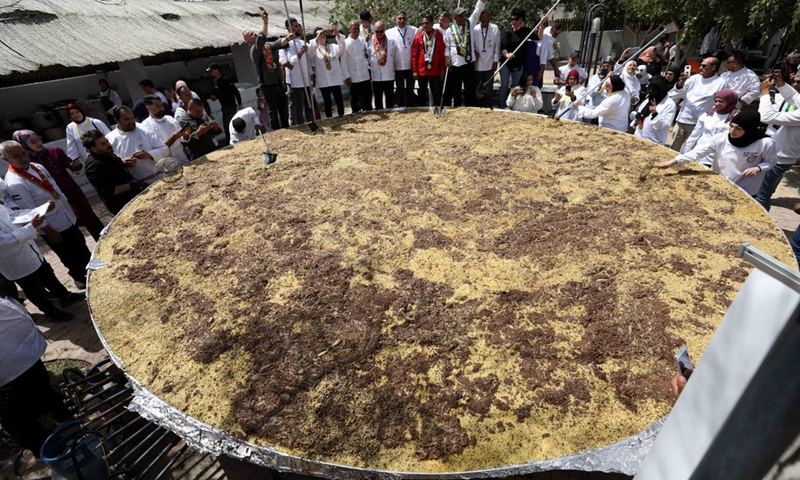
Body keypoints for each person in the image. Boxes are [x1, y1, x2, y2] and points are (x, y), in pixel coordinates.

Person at [1, 141, 93, 289]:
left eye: (23, 153)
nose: (23, 158)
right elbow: (29, 212)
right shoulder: (15, 183)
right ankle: (78, 277)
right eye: (16, 156)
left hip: (65, 216)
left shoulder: (37, 167)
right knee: (68, 254)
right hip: (53, 226)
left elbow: (55, 189)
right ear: (6, 159)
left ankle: (91, 268)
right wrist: (49, 231)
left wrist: (68, 207)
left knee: (80, 245)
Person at [1, 296, 74, 458]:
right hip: (24, 349)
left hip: (12, 360)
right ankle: (64, 418)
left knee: (15, 419)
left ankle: (51, 447)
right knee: (40, 388)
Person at [0, 189, 80, 322]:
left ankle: (64, 296)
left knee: (47, 273)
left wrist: (41, 210)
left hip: (29, 251)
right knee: (33, 288)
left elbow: (15, 215)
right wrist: (31, 227)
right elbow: (4, 241)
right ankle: (51, 312)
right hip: (13, 260)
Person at [658, 111, 777, 197]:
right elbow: (699, 152)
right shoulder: (721, 138)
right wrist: (675, 161)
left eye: (738, 128)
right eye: (731, 126)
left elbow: (771, 161)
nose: (732, 131)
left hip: (746, 187)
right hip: (721, 181)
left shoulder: (765, 143)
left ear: (750, 129)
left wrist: (758, 168)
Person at [11, 130, 104, 240]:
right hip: (54, 202)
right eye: (33, 141)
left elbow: (74, 169)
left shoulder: (54, 152)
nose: (38, 143)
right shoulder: (27, 163)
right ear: (23, 145)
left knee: (91, 221)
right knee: (71, 232)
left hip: (72, 194)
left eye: (38, 139)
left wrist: (75, 165)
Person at [755, 73, 800, 211]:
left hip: (780, 158)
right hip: (781, 156)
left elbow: (766, 116)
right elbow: (794, 97)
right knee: (763, 193)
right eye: (795, 81)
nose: (795, 84)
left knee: (761, 196)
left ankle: (760, 225)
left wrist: (764, 93)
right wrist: (781, 84)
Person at [243, 9, 292, 130]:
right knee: (273, 111)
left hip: (277, 82)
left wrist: (288, 38)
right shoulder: (254, 50)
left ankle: (288, 129)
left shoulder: (267, 46)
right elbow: (261, 38)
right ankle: (277, 132)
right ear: (247, 41)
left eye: (253, 32)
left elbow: (277, 43)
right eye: (250, 35)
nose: (254, 34)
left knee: (283, 108)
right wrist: (265, 23)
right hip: (267, 85)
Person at [668, 56, 726, 151]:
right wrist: (680, 84)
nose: (700, 68)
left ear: (713, 68)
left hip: (699, 124)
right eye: (700, 65)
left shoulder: (721, 83)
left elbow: (720, 103)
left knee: (690, 151)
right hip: (682, 120)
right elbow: (678, 94)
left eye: (704, 66)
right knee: (673, 149)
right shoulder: (694, 78)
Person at [83, 130, 147, 215]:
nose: (108, 145)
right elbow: (108, 191)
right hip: (122, 205)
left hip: (133, 195)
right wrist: (130, 185)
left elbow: (113, 165)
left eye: (107, 141)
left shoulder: (107, 153)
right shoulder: (94, 167)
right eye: (103, 144)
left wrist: (123, 163)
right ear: (94, 149)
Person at [106, 106, 168, 184]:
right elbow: (108, 163)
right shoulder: (110, 138)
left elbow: (164, 149)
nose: (131, 121)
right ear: (117, 120)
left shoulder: (144, 130)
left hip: (158, 177)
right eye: (127, 119)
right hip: (135, 184)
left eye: (132, 118)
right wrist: (122, 163)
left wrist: (149, 154)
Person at [444, 0, 486, 108]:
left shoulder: (470, 23)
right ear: (455, 18)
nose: (463, 18)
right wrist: (446, 58)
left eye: (464, 15)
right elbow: (447, 47)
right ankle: (457, 107)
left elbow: (477, 12)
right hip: (456, 64)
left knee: (470, 88)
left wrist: (482, 1)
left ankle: (470, 107)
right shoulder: (449, 30)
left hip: (468, 62)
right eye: (460, 16)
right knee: (456, 89)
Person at [681, 89, 740, 163]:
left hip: (717, 157)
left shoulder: (736, 117)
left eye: (721, 101)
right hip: (700, 153)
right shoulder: (708, 114)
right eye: (715, 101)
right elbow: (695, 134)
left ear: (729, 102)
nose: (717, 104)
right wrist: (685, 151)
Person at [308, 27, 349, 118]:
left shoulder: (333, 47)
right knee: (327, 102)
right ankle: (329, 119)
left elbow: (342, 48)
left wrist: (337, 34)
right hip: (324, 81)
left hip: (335, 78)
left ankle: (341, 117)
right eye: (319, 34)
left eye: (323, 34)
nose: (322, 36)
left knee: (339, 100)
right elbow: (310, 53)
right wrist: (316, 38)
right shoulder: (315, 50)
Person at [140, 95, 192, 166]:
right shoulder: (146, 126)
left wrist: (186, 135)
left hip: (182, 159)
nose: (161, 108)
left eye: (162, 105)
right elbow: (158, 148)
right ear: (148, 108)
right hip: (167, 165)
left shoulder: (170, 119)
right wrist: (173, 138)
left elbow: (182, 139)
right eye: (157, 106)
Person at [281, 17, 314, 126]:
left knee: (309, 104)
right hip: (296, 80)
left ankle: (311, 123)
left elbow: (309, 59)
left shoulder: (302, 42)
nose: (298, 28)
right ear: (288, 28)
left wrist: (311, 74)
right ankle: (300, 125)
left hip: (305, 78)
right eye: (295, 26)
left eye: (298, 25)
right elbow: (291, 60)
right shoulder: (286, 44)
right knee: (298, 106)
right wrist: (300, 53)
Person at [412, 14, 447, 107]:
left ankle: (437, 109)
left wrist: (442, 70)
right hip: (422, 70)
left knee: (436, 92)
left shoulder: (438, 36)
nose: (424, 25)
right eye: (423, 23)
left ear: (432, 23)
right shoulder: (418, 37)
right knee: (422, 92)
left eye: (427, 23)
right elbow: (414, 55)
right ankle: (422, 110)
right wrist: (415, 70)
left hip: (435, 70)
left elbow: (442, 54)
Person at [499, 8, 531, 109]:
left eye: (516, 19)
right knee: (504, 86)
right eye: (512, 19)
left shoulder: (526, 31)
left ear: (521, 19)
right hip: (506, 63)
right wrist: (507, 54)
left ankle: (512, 107)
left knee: (516, 87)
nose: (513, 22)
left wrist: (542, 25)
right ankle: (503, 107)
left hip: (518, 64)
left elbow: (539, 37)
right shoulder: (507, 30)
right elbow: (503, 47)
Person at [632, 76, 677, 146]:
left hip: (653, 141)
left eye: (653, 90)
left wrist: (655, 114)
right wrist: (637, 118)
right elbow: (642, 113)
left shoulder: (669, 104)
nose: (651, 92)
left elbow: (665, 126)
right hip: (638, 136)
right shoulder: (649, 98)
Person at [207, 64, 243, 145]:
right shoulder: (216, 81)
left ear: (216, 70)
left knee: (229, 126)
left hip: (231, 106)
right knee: (227, 126)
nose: (211, 73)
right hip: (224, 107)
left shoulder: (226, 79)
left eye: (212, 71)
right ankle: (231, 142)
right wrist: (214, 97)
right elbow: (218, 93)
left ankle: (231, 142)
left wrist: (239, 104)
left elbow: (236, 92)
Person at [387, 11, 417, 107]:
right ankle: (401, 106)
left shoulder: (413, 30)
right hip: (397, 66)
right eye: (399, 18)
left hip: (410, 66)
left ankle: (411, 106)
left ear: (407, 19)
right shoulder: (389, 32)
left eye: (403, 18)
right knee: (400, 89)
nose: (402, 20)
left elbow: (424, 30)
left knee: (410, 88)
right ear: (395, 20)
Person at [344, 20, 373, 113]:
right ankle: (356, 114)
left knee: (367, 96)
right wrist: (346, 76)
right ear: (349, 30)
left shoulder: (362, 40)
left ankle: (369, 111)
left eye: (357, 28)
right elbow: (343, 62)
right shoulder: (345, 43)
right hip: (353, 75)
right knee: (355, 98)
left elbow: (367, 54)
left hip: (364, 73)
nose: (356, 31)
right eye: (354, 29)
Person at [473, 10, 500, 108]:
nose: (485, 23)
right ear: (480, 19)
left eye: (487, 21)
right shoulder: (475, 29)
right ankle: (478, 107)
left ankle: (488, 107)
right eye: (483, 21)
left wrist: (495, 60)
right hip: (478, 64)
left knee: (488, 87)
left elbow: (497, 46)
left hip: (489, 63)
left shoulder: (494, 28)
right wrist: (474, 52)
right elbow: (472, 44)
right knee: (477, 87)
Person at [370, 21, 399, 110]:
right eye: (376, 31)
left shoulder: (391, 41)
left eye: (381, 31)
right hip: (376, 76)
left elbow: (393, 55)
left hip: (388, 75)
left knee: (389, 98)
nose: (379, 33)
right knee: (378, 99)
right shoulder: (369, 41)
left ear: (384, 30)